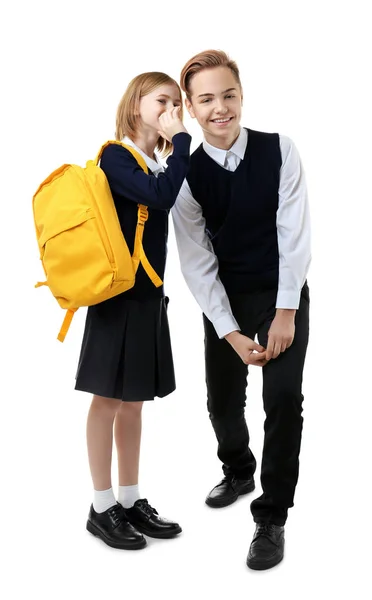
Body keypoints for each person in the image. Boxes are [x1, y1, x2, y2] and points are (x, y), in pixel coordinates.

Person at [172, 50, 311, 570]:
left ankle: (271, 517)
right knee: (223, 402)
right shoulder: (184, 176)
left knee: (282, 401)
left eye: (228, 94)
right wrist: (230, 332)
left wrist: (285, 311)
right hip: (225, 298)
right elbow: (196, 263)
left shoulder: (281, 151)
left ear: (241, 94)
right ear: (190, 106)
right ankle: (237, 469)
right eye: (206, 99)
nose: (220, 108)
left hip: (282, 292)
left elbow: (294, 234)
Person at [75, 72, 191, 550]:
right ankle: (101, 507)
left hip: (147, 299)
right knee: (106, 400)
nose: (171, 110)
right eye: (162, 100)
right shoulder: (115, 156)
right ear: (136, 102)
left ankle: (129, 499)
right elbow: (161, 198)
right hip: (116, 299)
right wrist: (182, 137)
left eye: (176, 104)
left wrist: (174, 146)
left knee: (135, 401)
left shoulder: (153, 162)